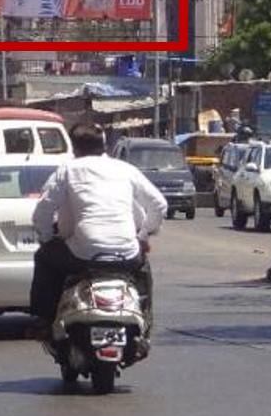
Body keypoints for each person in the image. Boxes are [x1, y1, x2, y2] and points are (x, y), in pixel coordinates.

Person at [29, 123, 168, 339]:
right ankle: (146, 322)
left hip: (82, 255)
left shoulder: (67, 170)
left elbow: (43, 212)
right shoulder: (125, 169)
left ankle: (45, 321)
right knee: (143, 268)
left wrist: (47, 240)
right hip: (127, 254)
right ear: (105, 145)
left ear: (74, 148)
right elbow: (159, 205)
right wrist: (142, 236)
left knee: (44, 257)